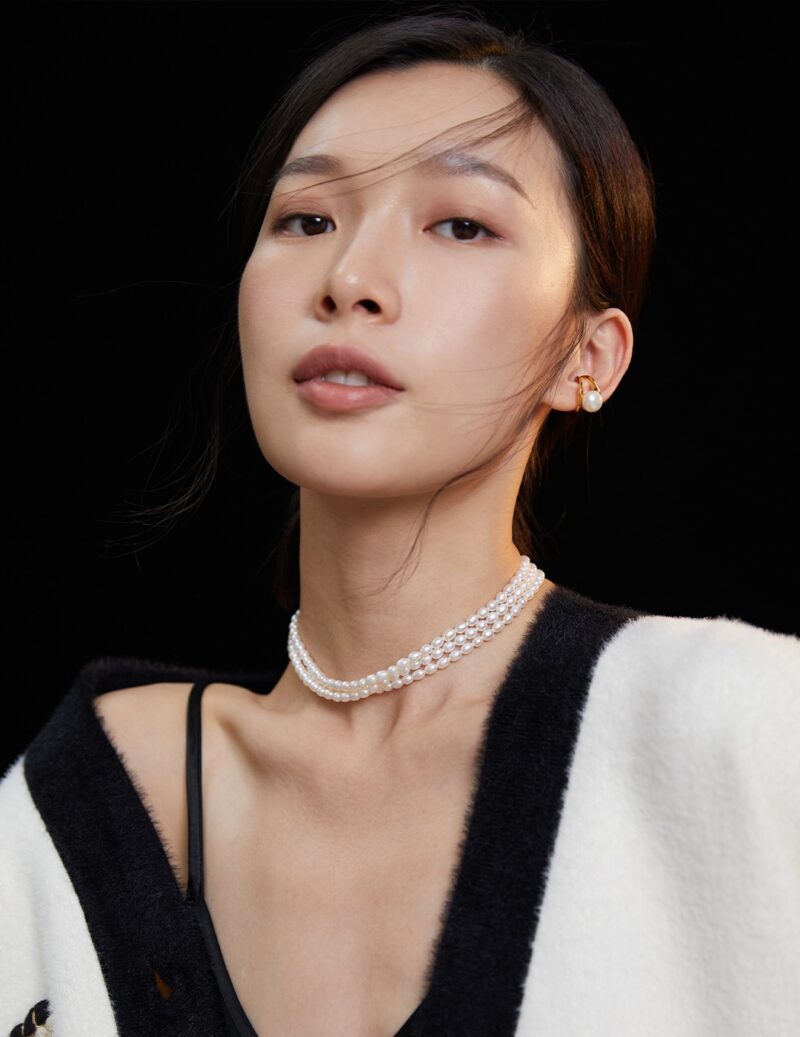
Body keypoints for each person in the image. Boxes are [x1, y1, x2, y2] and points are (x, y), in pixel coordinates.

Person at [2, 8, 798, 1037]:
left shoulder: (736, 728)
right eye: (306, 220)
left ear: (586, 357)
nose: (348, 282)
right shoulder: (72, 803)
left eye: (459, 223)